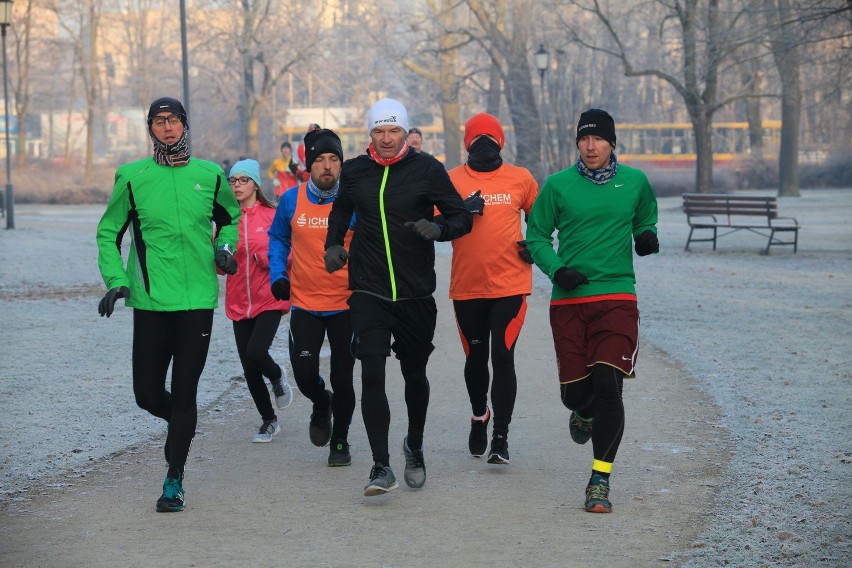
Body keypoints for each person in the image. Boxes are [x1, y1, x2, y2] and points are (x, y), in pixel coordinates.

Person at [95, 96, 241, 513]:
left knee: (184, 391)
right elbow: (109, 232)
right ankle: (183, 426)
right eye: (159, 121)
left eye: (173, 120)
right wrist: (117, 281)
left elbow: (229, 219)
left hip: (196, 300)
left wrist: (225, 248)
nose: (167, 127)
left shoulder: (210, 175)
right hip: (152, 300)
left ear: (184, 125)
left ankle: (173, 478)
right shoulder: (131, 176)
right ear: (150, 128)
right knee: (146, 394)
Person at [324, 98, 473, 496]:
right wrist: (334, 245)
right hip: (368, 288)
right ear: (369, 134)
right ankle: (380, 465)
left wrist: (437, 229)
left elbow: (461, 216)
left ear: (405, 133)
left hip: (415, 292)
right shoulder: (355, 171)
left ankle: (416, 445)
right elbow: (340, 211)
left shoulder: (428, 169)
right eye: (378, 132)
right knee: (371, 372)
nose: (386, 139)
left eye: (393, 132)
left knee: (414, 375)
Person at [525, 108, 659, 514]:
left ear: (611, 142)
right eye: (584, 139)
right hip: (571, 301)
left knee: (608, 384)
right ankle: (582, 412)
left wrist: (646, 235)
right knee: (577, 395)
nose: (590, 146)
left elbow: (645, 215)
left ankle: (599, 480)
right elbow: (536, 237)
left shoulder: (634, 181)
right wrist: (557, 269)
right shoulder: (558, 186)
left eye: (598, 139)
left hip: (618, 296)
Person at [446, 113, 539, 465]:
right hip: (467, 286)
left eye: (490, 139)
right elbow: (436, 224)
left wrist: (535, 243)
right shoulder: (452, 179)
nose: (483, 145)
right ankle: (478, 414)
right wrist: (459, 213)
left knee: (502, 356)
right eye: (476, 139)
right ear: (467, 144)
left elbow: (541, 217)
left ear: (502, 143)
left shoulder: (521, 178)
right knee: (475, 357)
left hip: (510, 284)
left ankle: (500, 436)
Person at [267, 128, 357, 466]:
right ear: (308, 164)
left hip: (346, 304)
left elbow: (370, 243)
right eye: (320, 159)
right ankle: (322, 403)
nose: (328, 166)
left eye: (334, 159)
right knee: (305, 374)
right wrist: (278, 275)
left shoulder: (351, 200)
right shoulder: (292, 199)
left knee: (343, 377)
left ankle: (341, 440)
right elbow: (277, 239)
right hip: (304, 302)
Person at [223, 159, 294, 444]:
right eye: (233, 181)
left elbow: (289, 253)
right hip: (239, 301)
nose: (237, 186)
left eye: (243, 180)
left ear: (255, 184)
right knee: (249, 367)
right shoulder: (227, 220)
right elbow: (219, 257)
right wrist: (221, 262)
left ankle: (277, 375)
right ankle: (269, 421)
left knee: (256, 352)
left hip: (269, 297)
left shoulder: (272, 215)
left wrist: (263, 259)